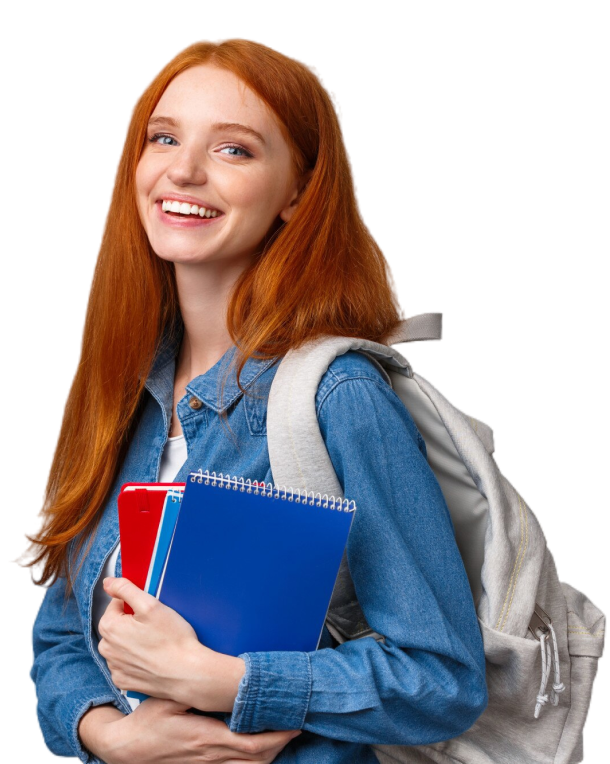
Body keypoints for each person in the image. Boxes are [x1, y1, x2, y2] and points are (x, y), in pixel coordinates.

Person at [21, 38, 487, 763]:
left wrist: (228, 681)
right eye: (164, 137)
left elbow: (442, 678)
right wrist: (109, 736)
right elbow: (59, 627)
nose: (183, 169)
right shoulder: (119, 387)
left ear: (298, 191)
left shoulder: (339, 394)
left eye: (234, 150)